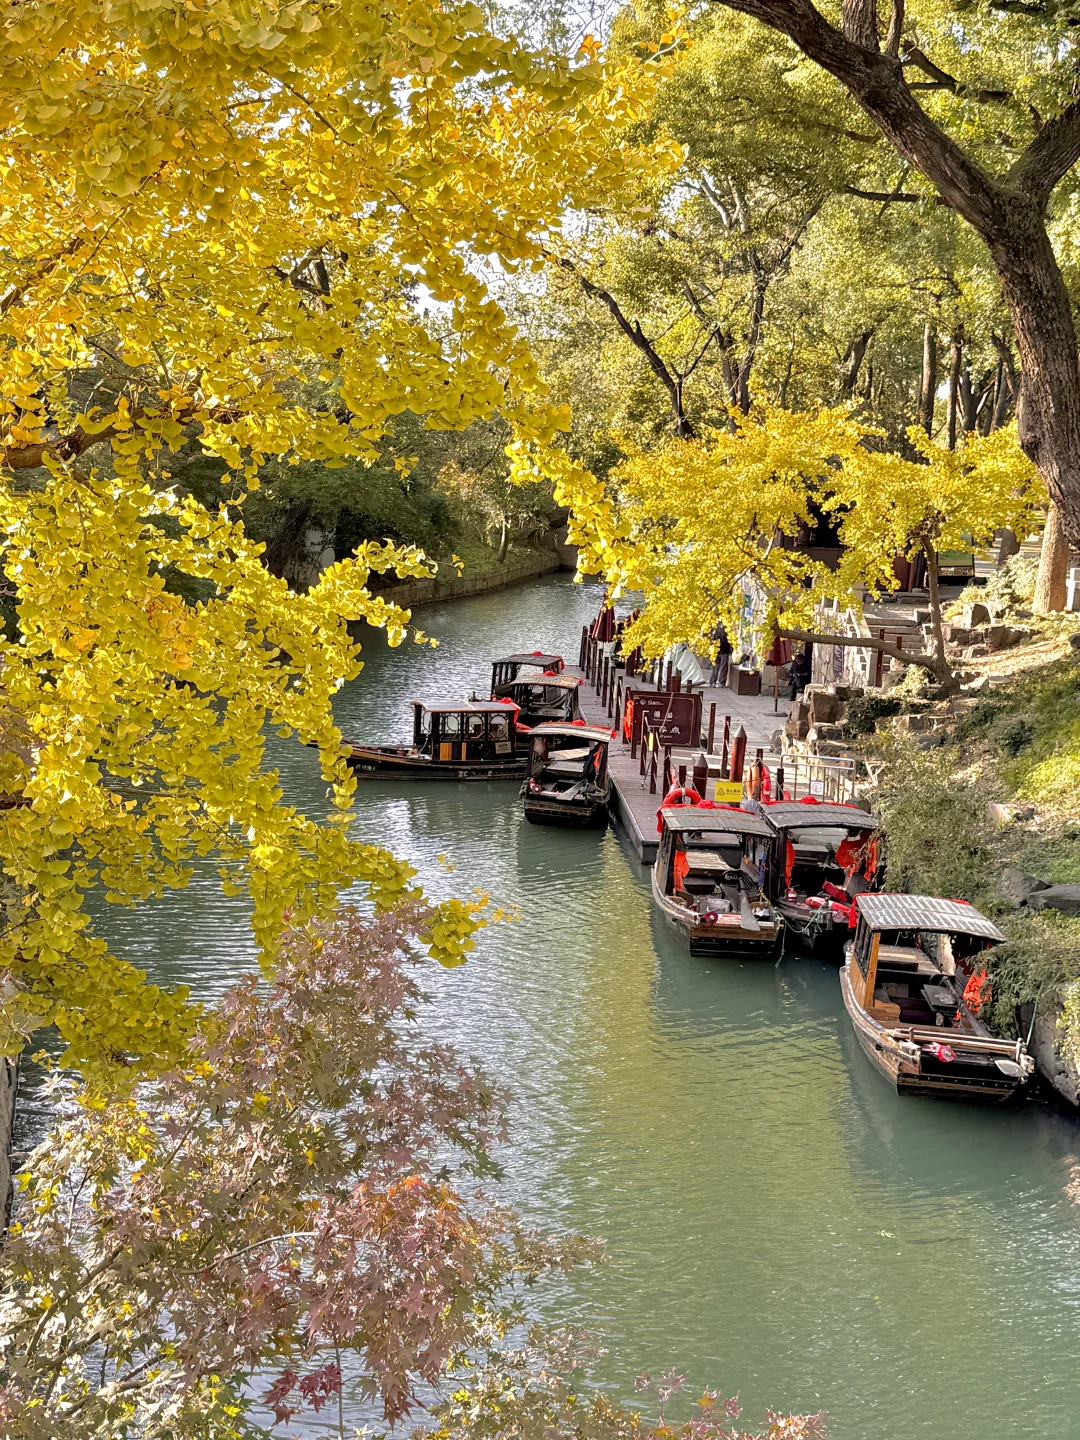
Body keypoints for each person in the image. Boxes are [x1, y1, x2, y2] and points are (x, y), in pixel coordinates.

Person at [709, 622, 732, 686]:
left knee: (715, 667)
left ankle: (713, 681)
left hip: (716, 651)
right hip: (724, 651)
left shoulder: (715, 630)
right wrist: (730, 650)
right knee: (723, 667)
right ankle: (721, 682)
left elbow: (712, 640)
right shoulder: (727, 631)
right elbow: (730, 641)